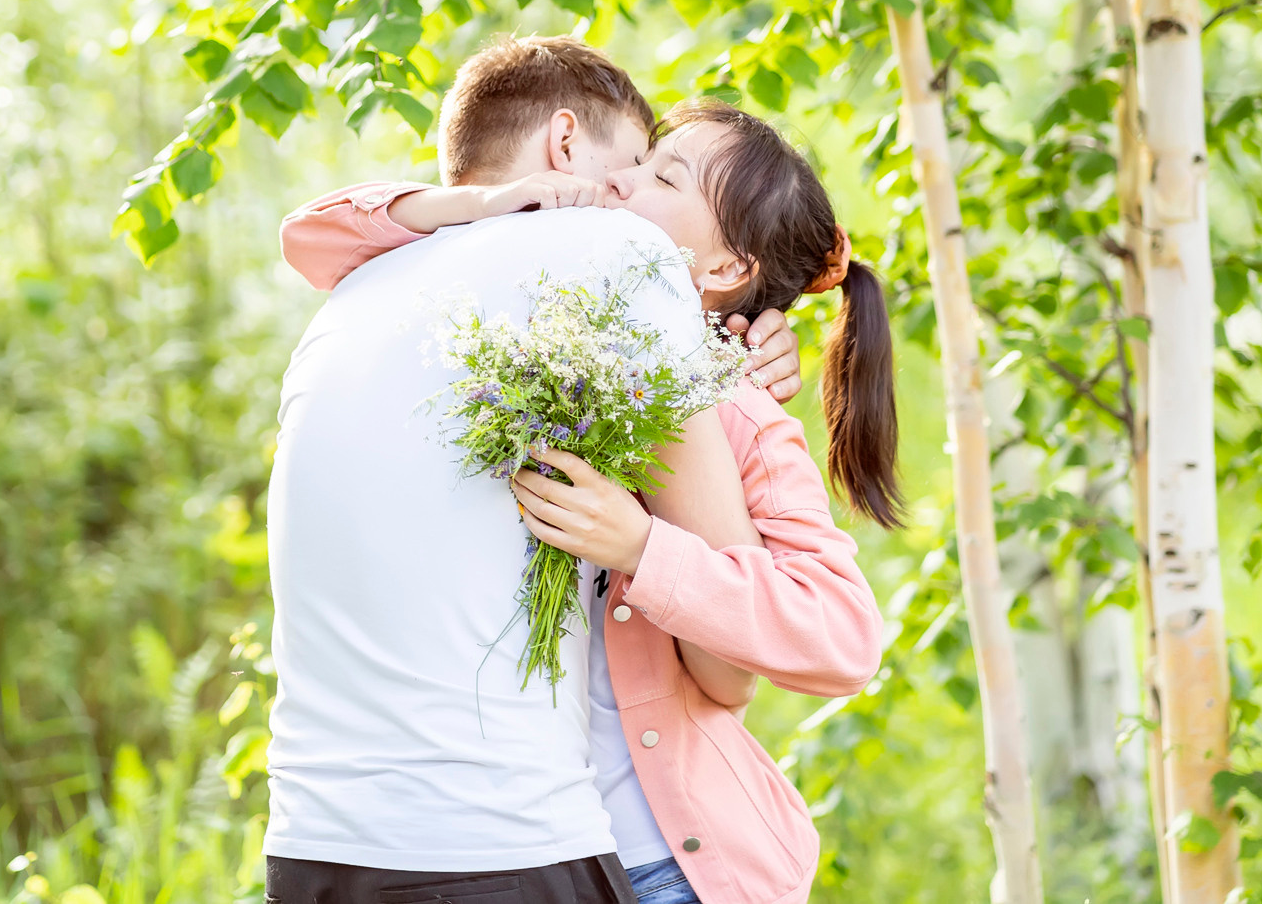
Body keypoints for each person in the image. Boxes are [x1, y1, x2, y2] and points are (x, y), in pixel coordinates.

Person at [280, 64, 900, 904]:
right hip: (566, 845)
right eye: (640, 162)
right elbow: (313, 234)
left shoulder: (738, 405)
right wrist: (476, 204)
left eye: (661, 176)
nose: (623, 182)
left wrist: (644, 547)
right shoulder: (555, 331)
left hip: (668, 860)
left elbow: (816, 645)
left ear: (727, 264)